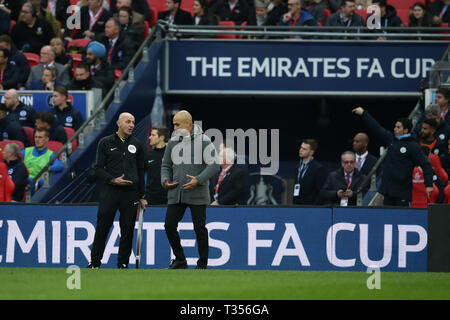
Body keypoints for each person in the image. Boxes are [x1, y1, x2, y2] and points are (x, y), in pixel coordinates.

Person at [161, 110, 219, 269]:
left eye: (177, 124)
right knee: (169, 225)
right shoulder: (173, 141)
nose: (174, 127)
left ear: (189, 124)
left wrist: (198, 180)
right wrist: (165, 180)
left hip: (197, 193)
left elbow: (214, 165)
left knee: (199, 228)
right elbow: (165, 165)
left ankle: (202, 264)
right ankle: (180, 260)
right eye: (173, 124)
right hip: (176, 193)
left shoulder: (204, 140)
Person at [88, 112, 146, 269]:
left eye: (133, 122)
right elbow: (98, 169)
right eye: (128, 121)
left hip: (131, 193)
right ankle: (94, 263)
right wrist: (113, 179)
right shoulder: (105, 142)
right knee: (102, 228)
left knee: (127, 231)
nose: (131, 125)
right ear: (118, 124)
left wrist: (142, 195)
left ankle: (123, 264)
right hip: (110, 191)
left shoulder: (137, 144)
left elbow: (141, 171)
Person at [352, 106, 434, 206]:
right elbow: (377, 128)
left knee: (401, 218)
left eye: (398, 127)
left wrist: (429, 185)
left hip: (402, 192)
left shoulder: (413, 146)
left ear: (406, 130)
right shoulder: (391, 139)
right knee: (388, 218)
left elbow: (426, 165)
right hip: (387, 192)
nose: (395, 129)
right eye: (395, 126)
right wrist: (364, 113)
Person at [292, 138, 325, 205]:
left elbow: (320, 191)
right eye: (301, 148)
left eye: (304, 149)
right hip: (297, 205)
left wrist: (315, 207)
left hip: (311, 206)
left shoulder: (318, 168)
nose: (300, 150)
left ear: (311, 152)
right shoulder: (298, 166)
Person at [144, 126, 169, 205]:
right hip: (150, 199)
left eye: (153, 135)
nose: (149, 137)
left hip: (169, 199)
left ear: (161, 137)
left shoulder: (171, 154)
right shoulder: (148, 155)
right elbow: (140, 176)